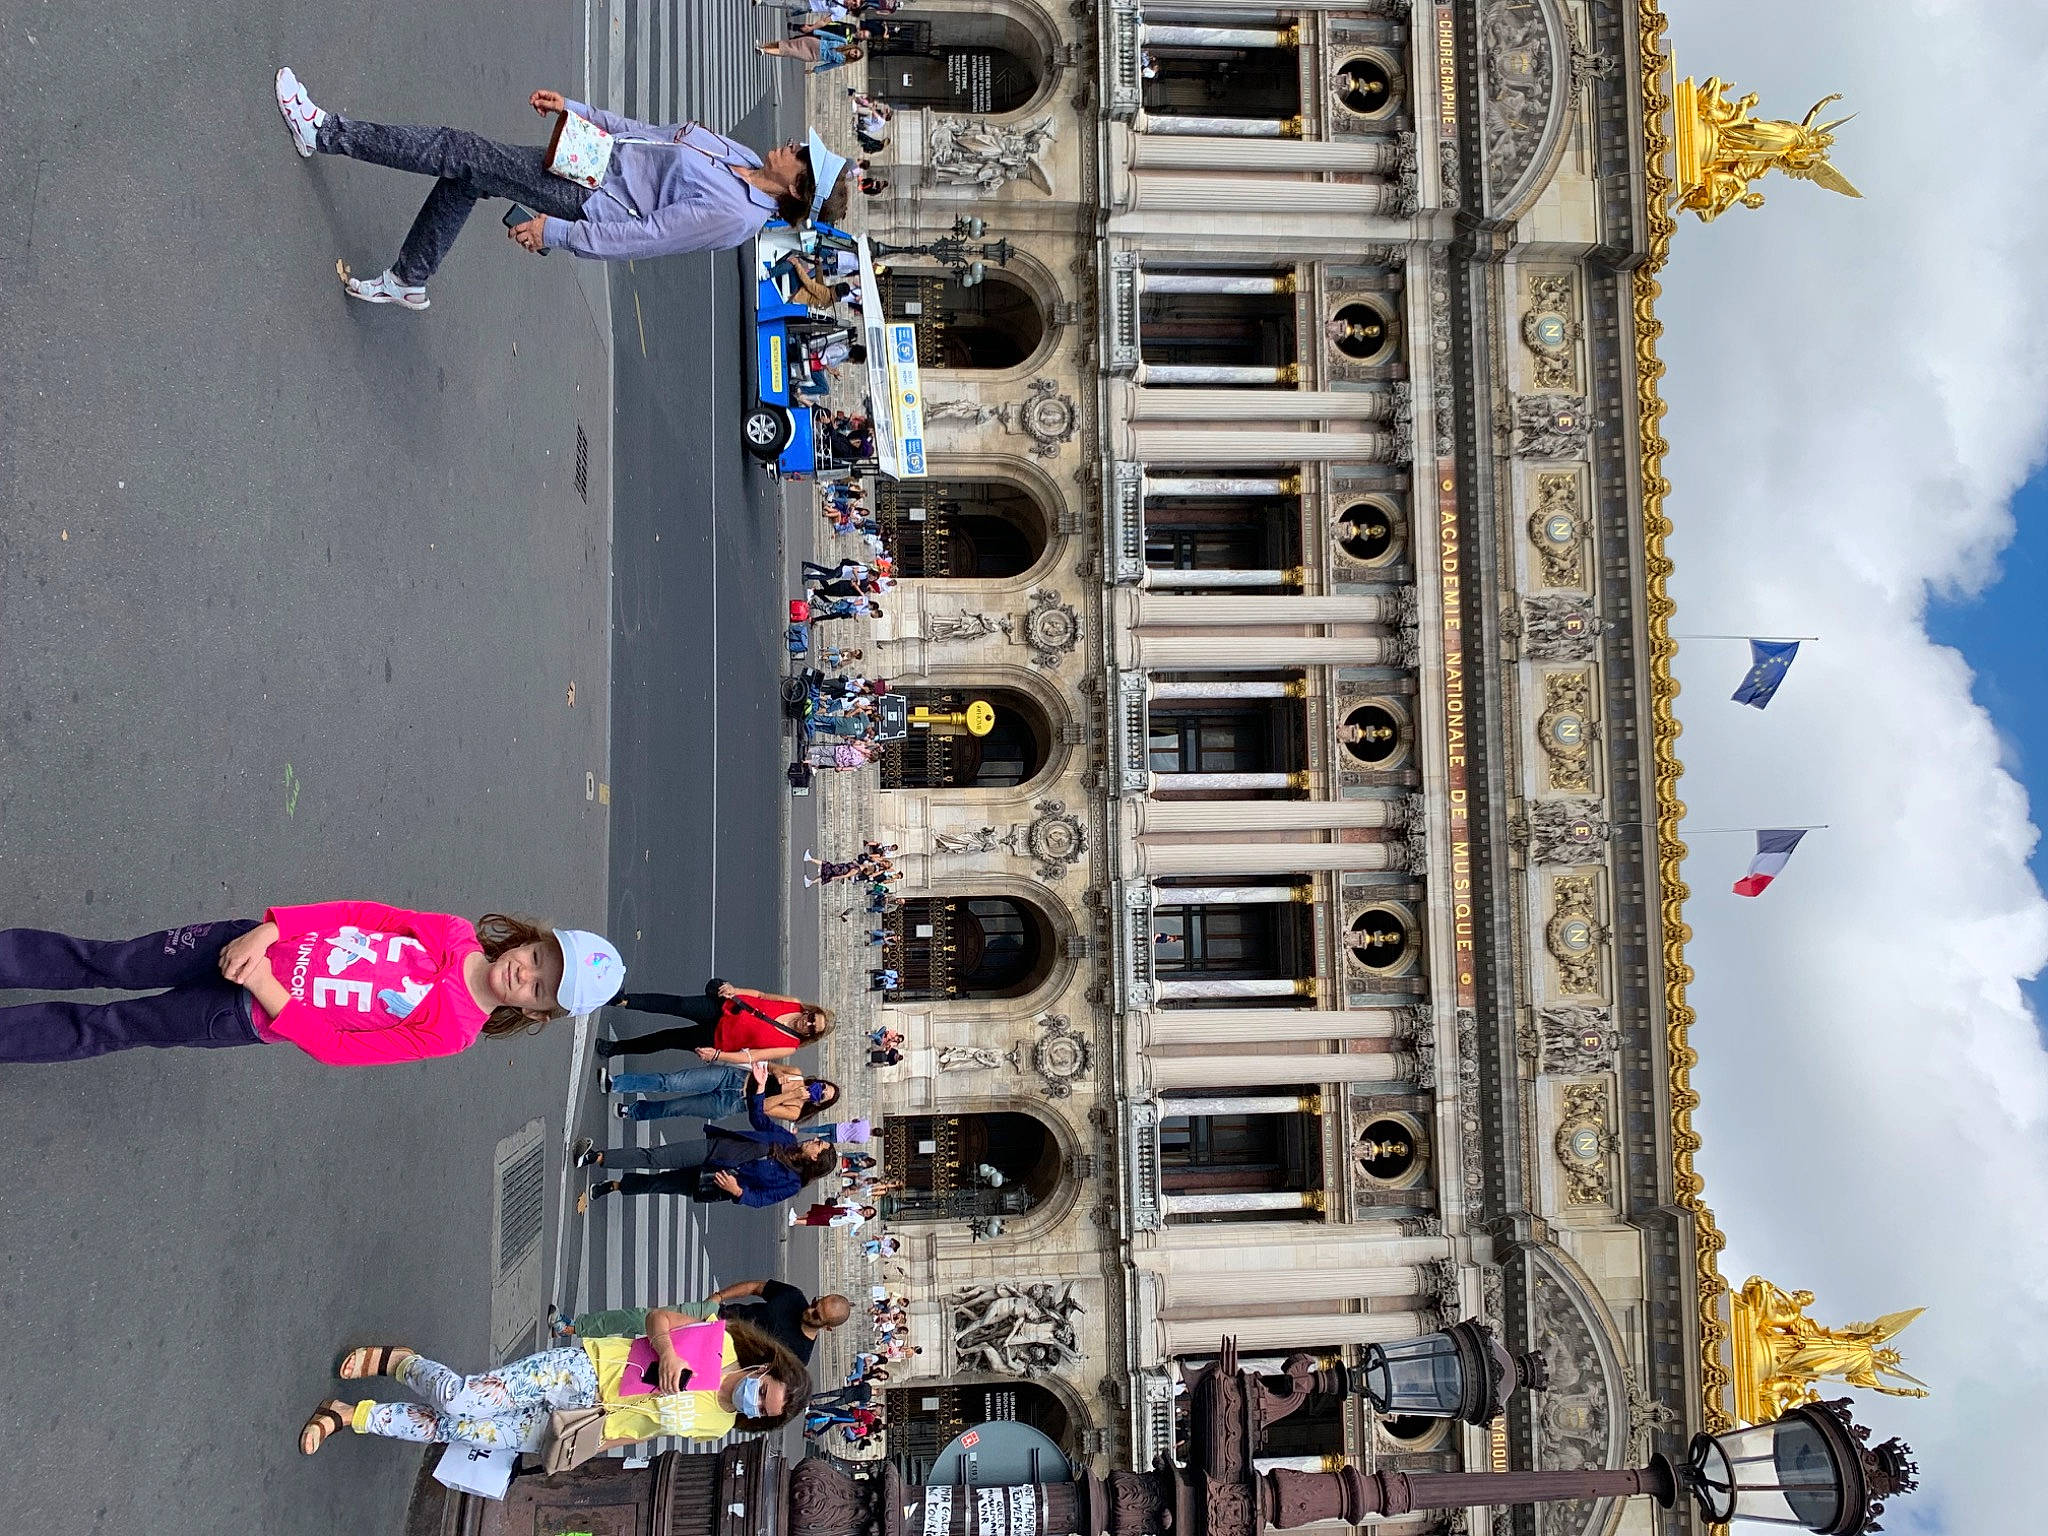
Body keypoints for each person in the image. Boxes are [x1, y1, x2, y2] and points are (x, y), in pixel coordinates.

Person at [273, 67, 850, 308]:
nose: (792, 147)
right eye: (802, 146)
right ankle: (408, 280)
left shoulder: (737, 216)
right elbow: (648, 135)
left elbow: (646, 237)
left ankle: (323, 130)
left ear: (797, 190)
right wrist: (576, 112)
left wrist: (559, 232)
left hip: (585, 199)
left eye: (801, 157)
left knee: (459, 151)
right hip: (586, 157)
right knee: (468, 175)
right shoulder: (743, 158)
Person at [0, 905, 622, 1065]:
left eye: (540, 989)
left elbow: (339, 1047)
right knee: (109, 961)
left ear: (535, 1013)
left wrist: (269, 988)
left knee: (111, 1027)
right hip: (245, 942)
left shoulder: (454, 1031)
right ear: (528, 939)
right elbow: (360, 916)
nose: (526, 972)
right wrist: (269, 934)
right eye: (539, 956)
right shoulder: (455, 934)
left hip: (243, 1014)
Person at [297, 1315, 806, 1456]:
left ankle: (351, 1415)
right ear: (764, 1371)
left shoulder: (717, 1427)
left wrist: (590, 1446)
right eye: (764, 1393)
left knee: (458, 1431)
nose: (755, 1403)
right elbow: (658, 1319)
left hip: (583, 1423)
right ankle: (402, 1364)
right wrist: (670, 1351)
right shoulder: (724, 1346)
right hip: (584, 1370)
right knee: (464, 1398)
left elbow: (646, 1434)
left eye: (763, 1411)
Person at [564, 1282, 853, 1366]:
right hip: (709, 1316)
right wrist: (718, 1296)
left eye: (818, 1314)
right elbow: (755, 1287)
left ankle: (584, 1359)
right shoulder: (794, 1296)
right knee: (643, 1318)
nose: (810, 1309)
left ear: (827, 1327)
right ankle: (575, 1327)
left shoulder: (798, 1356)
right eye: (817, 1302)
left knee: (641, 1356)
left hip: (710, 1353)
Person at [578, 1125, 838, 1212]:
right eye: (818, 1139)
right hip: (716, 1151)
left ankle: (615, 1186)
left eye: (818, 1144)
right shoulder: (787, 1140)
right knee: (655, 1157)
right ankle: (599, 1157)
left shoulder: (791, 1183)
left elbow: (760, 1199)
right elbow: (760, 1120)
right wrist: (758, 1090)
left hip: (716, 1179)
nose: (813, 1140)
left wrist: (737, 1191)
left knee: (660, 1184)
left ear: (816, 1159)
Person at [598, 977, 832, 1064]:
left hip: (716, 1038)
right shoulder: (793, 1002)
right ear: (808, 1012)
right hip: (723, 1008)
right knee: (677, 1004)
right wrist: (735, 989)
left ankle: (615, 1049)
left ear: (810, 1036)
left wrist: (718, 1056)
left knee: (666, 1038)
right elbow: (761, 996)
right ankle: (624, 1001)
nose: (808, 1023)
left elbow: (751, 1056)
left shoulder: (788, 1046)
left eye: (812, 1028)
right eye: (812, 1018)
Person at [604, 1058, 846, 1128]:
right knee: (672, 1081)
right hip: (733, 1078)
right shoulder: (795, 1072)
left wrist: (792, 1096)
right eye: (823, 1086)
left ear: (818, 1104)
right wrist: (777, 1073)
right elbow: (767, 1064)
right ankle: (618, 1083)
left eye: (822, 1096)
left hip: (731, 1103)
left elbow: (762, 1108)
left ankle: (634, 1111)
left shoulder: (796, 1111)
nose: (819, 1091)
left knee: (675, 1108)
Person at [759, 35, 864, 75]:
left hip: (813, 55)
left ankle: (764, 51)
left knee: (789, 51)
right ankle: (764, 46)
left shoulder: (842, 61)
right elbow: (830, 35)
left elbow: (828, 66)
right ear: (854, 48)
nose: (853, 54)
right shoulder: (843, 41)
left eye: (855, 56)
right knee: (787, 44)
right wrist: (814, 30)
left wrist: (815, 70)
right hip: (814, 43)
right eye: (855, 52)